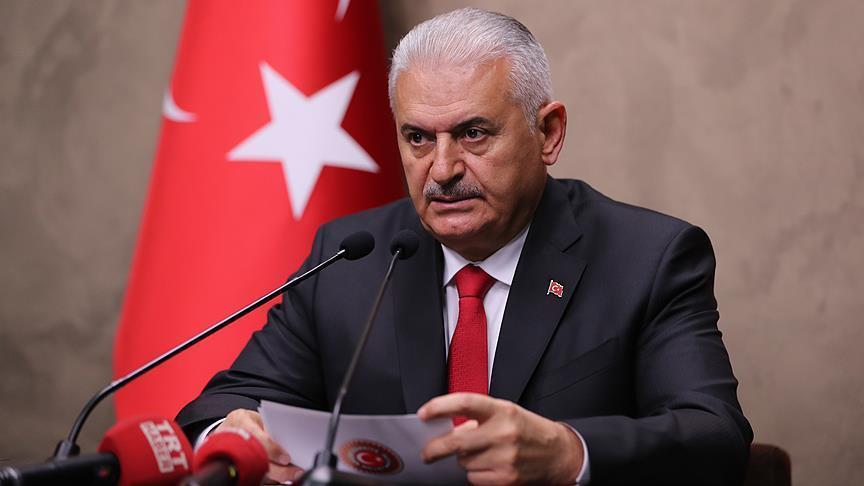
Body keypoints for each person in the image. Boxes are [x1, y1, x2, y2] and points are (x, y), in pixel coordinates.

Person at [177, 8, 752, 485]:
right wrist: (233, 432)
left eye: (473, 133)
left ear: (548, 133)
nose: (443, 169)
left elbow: (714, 434)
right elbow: (223, 403)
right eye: (418, 138)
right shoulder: (351, 258)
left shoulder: (648, 258)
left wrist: (568, 452)